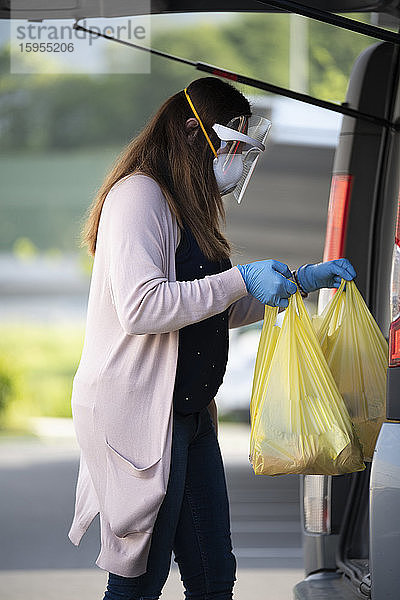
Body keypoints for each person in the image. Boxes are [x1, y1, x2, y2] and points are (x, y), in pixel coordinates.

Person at [67, 76, 356, 600]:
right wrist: (240, 278)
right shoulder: (140, 195)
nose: (238, 163)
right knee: (139, 581)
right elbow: (142, 307)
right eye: (233, 148)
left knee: (212, 575)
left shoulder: (186, 204)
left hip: (189, 416)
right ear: (193, 135)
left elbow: (208, 310)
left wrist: (298, 282)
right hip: (142, 418)